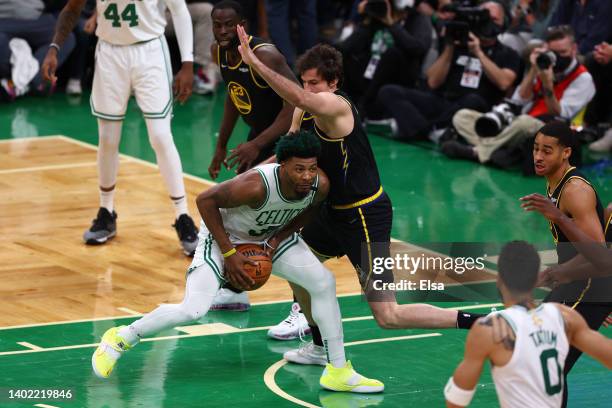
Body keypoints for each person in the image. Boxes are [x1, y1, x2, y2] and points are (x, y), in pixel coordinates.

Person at [235, 28, 485, 364]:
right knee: (298, 269)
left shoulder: (337, 108)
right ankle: (320, 347)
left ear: (334, 83)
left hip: (365, 216)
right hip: (329, 213)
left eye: (315, 83)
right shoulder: (303, 109)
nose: (308, 89)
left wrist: (252, 60)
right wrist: (245, 183)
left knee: (388, 315)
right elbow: (285, 157)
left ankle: (480, 322)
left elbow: (300, 98)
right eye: (305, 82)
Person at [90, 131, 384, 394]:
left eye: (311, 168)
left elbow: (310, 210)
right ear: (282, 166)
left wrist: (277, 239)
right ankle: (120, 337)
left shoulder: (319, 185)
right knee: (194, 309)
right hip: (222, 239)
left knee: (323, 282)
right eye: (299, 169)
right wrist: (229, 253)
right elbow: (205, 201)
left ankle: (337, 369)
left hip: (267, 239)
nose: (307, 175)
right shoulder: (254, 186)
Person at [41, 0, 200, 256]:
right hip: (110, 53)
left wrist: (188, 64)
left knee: (160, 136)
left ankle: (183, 216)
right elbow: (71, 9)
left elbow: (179, 11)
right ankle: (106, 212)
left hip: (149, 52)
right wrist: (54, 48)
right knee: (107, 138)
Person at [205, 1, 303, 321]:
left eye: (227, 25)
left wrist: (256, 144)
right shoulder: (219, 52)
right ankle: (236, 289)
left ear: (242, 25)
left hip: (289, 136)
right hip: (259, 136)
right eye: (216, 25)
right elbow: (234, 98)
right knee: (239, 212)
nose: (221, 31)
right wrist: (221, 146)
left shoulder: (265, 55)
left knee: (288, 216)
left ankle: (301, 305)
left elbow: (295, 103)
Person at [444, 241, 612, 408]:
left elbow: (457, 400)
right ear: (536, 280)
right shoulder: (565, 316)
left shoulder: (490, 329)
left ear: (499, 280)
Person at [524, 121, 612, 407]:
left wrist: (559, 218)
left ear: (566, 153)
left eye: (547, 151)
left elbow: (600, 256)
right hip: (580, 284)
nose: (538, 156)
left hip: (587, 287)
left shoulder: (575, 190)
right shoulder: (554, 182)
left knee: (549, 366)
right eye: (536, 148)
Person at [446, 25, 595, 165]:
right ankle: (497, 148)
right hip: (518, 122)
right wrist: (533, 69)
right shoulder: (544, 64)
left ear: (574, 49)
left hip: (553, 130)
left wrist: (547, 85)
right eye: (553, 53)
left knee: (524, 122)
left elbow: (560, 114)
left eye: (563, 53)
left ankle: (478, 151)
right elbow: (519, 99)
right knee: (462, 116)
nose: (558, 58)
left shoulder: (583, 78)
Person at [377, 1, 520, 142]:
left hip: (473, 110)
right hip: (444, 101)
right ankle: (429, 130)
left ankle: (422, 127)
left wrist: (478, 53)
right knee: (389, 91)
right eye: (485, 17)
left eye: (494, 19)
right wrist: (449, 47)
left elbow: (504, 83)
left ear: (504, 23)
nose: (488, 22)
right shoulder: (458, 45)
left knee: (473, 99)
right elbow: (432, 82)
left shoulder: (508, 54)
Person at [520, 195, 612, 286]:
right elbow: (599, 251)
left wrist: (568, 274)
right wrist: (560, 269)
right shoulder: (609, 211)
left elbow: (606, 263)